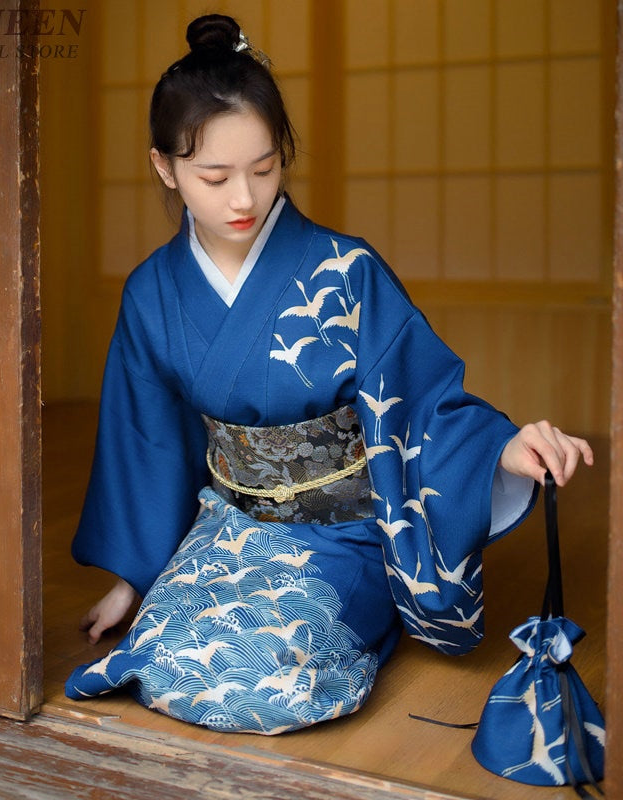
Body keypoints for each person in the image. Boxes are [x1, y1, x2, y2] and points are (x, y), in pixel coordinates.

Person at [65, 14, 593, 734]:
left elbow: (423, 396)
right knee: (160, 659)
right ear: (165, 167)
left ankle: (358, 612)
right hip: (231, 526)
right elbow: (148, 444)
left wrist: (503, 448)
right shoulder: (152, 293)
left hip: (345, 532)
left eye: (264, 167)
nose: (244, 199)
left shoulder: (345, 272)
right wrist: (134, 578)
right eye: (214, 177)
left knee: (271, 675)